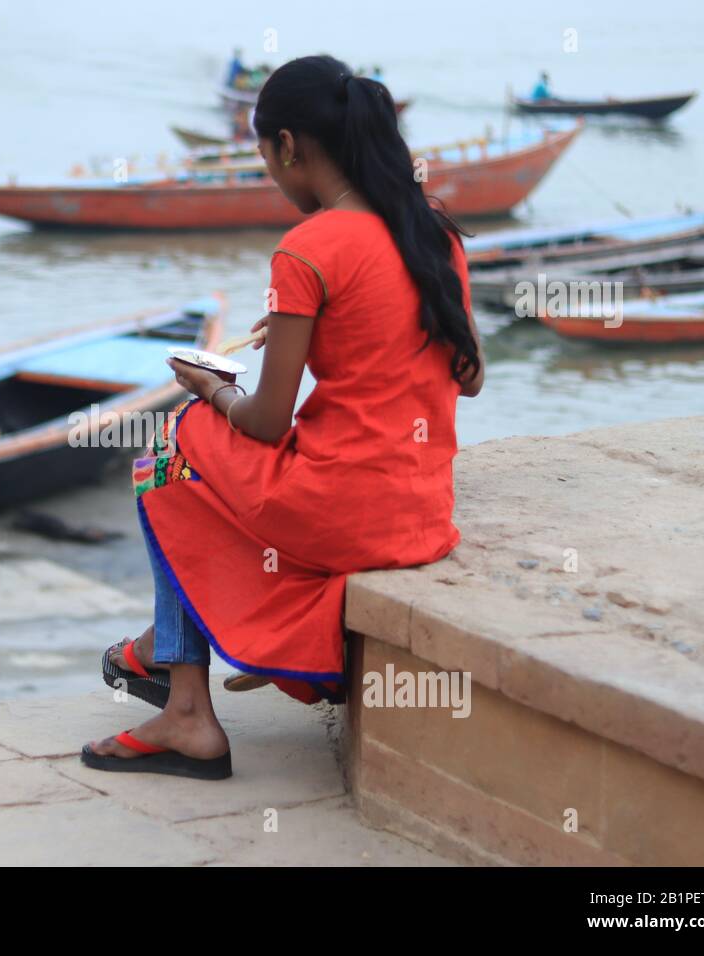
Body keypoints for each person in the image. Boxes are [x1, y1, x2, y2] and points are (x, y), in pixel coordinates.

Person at [82, 54, 484, 781]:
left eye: (267, 156)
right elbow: (470, 378)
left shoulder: (308, 248)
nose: (270, 171)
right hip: (422, 512)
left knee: (166, 457)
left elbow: (265, 421)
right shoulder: (434, 234)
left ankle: (186, 713)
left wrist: (207, 385)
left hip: (343, 508)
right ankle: (173, 646)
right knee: (204, 471)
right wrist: (309, 326)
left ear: (289, 146)